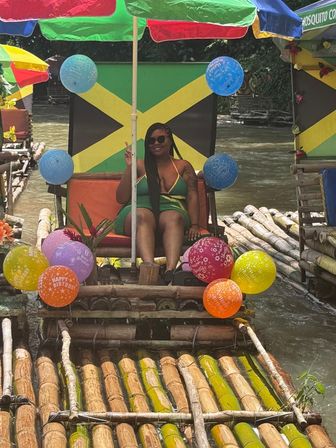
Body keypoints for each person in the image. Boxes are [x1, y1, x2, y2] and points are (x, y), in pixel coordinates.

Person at [115, 122, 204, 281]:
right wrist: (129, 167)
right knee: (142, 216)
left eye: (161, 139)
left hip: (171, 209)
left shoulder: (183, 166)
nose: (156, 143)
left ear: (170, 141)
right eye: (151, 140)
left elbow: (192, 195)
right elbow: (121, 197)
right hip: (139, 209)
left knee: (174, 218)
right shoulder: (140, 165)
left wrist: (195, 225)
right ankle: (150, 269)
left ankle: (170, 272)